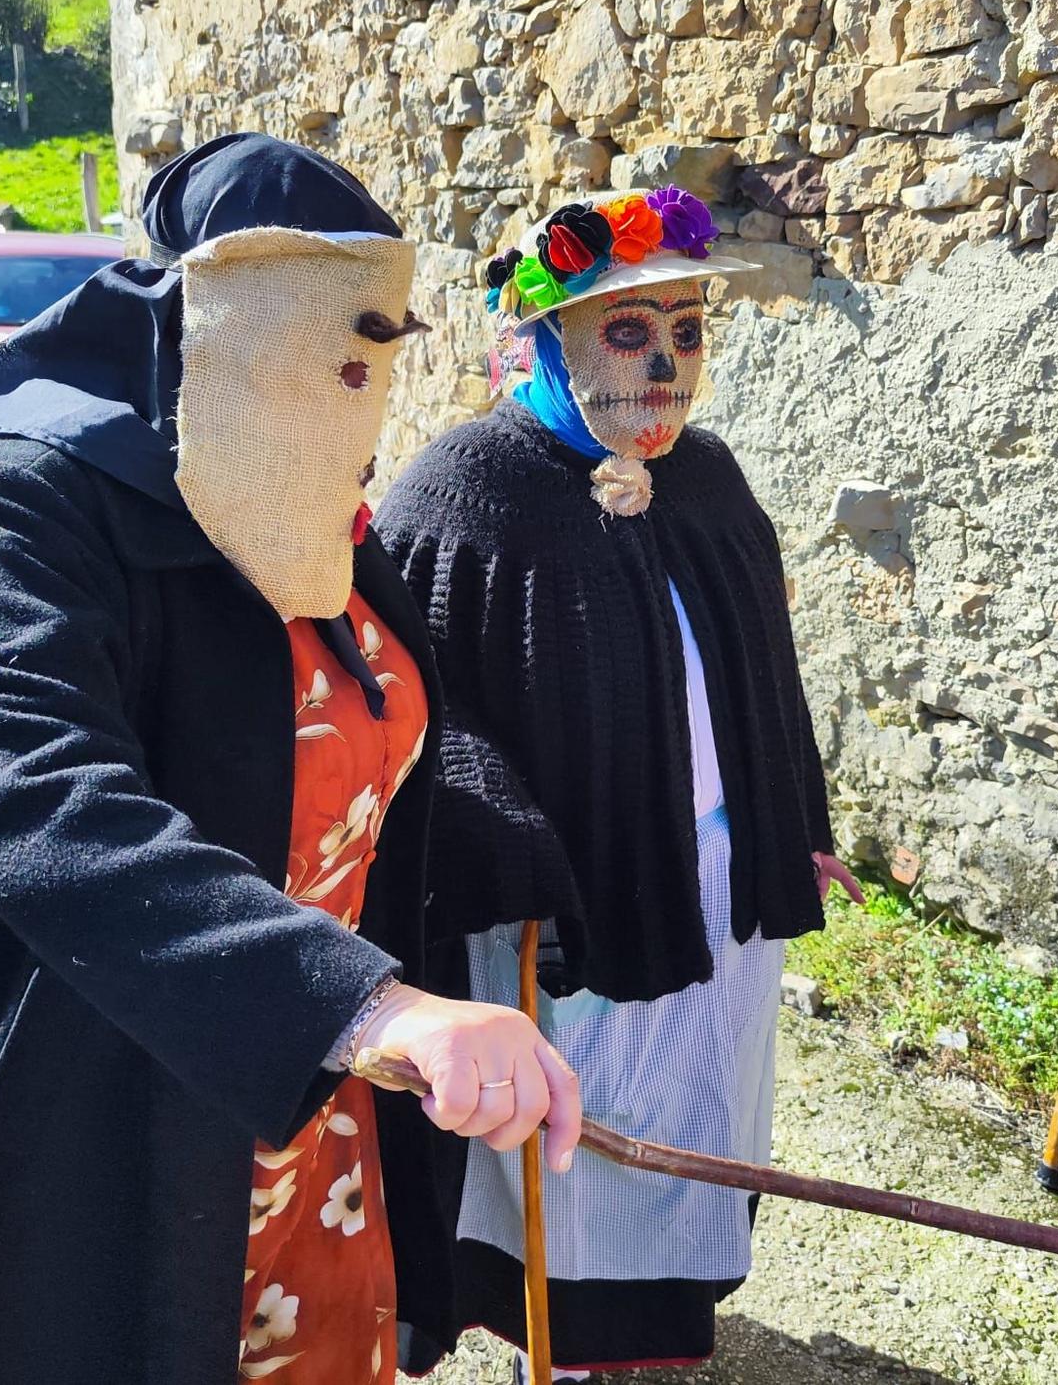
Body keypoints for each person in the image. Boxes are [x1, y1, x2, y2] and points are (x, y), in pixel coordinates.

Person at [0, 134, 579, 1385]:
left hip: (311, 1111)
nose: (354, 387)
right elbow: (37, 799)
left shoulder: (321, 524)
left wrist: (542, 857)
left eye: (377, 351)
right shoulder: (24, 514)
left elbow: (371, 734)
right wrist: (366, 1001)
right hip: (102, 1116)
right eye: (325, 347)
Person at [375, 188, 861, 1378]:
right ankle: (571, 1342)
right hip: (569, 905)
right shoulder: (463, 494)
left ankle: (661, 1336)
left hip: (717, 887)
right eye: (628, 334)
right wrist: (513, 859)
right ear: (540, 341)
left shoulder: (707, 477)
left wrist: (795, 820)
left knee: (697, 1108)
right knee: (576, 1134)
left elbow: (761, 668)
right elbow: (415, 716)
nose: (666, 366)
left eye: (686, 333)